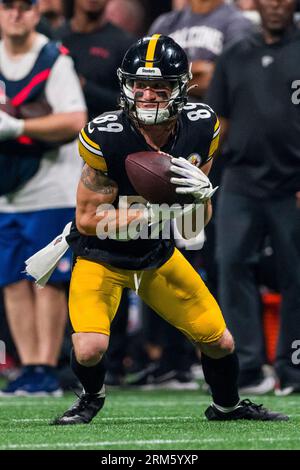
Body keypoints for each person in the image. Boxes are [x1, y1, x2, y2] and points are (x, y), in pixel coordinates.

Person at [29, 34, 287, 423]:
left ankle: (227, 406)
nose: (148, 95)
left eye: (159, 87)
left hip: (157, 255)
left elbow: (197, 223)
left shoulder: (201, 127)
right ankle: (90, 398)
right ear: (126, 86)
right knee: (89, 348)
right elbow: (86, 220)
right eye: (140, 85)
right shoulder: (107, 136)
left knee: (220, 341)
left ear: (180, 89)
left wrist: (199, 200)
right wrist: (154, 213)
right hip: (102, 257)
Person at [206, 0, 300, 394]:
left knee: (296, 276)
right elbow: (218, 122)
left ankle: (293, 368)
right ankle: (246, 368)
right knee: (230, 266)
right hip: (240, 180)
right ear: (256, 4)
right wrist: (200, 176)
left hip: (293, 184)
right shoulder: (234, 54)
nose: (276, 5)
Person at [0, 0, 86, 396]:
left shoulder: (54, 60)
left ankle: (45, 366)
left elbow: (73, 120)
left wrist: (16, 126)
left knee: (46, 279)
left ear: (37, 13)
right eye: (7, 6)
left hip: (50, 186)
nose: (15, 14)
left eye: (24, 6)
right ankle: (28, 365)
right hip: (7, 190)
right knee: (11, 281)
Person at [56, 0, 134, 120]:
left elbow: (132, 102)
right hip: (58, 129)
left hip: (104, 131)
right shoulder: (55, 37)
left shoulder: (125, 44)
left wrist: (85, 87)